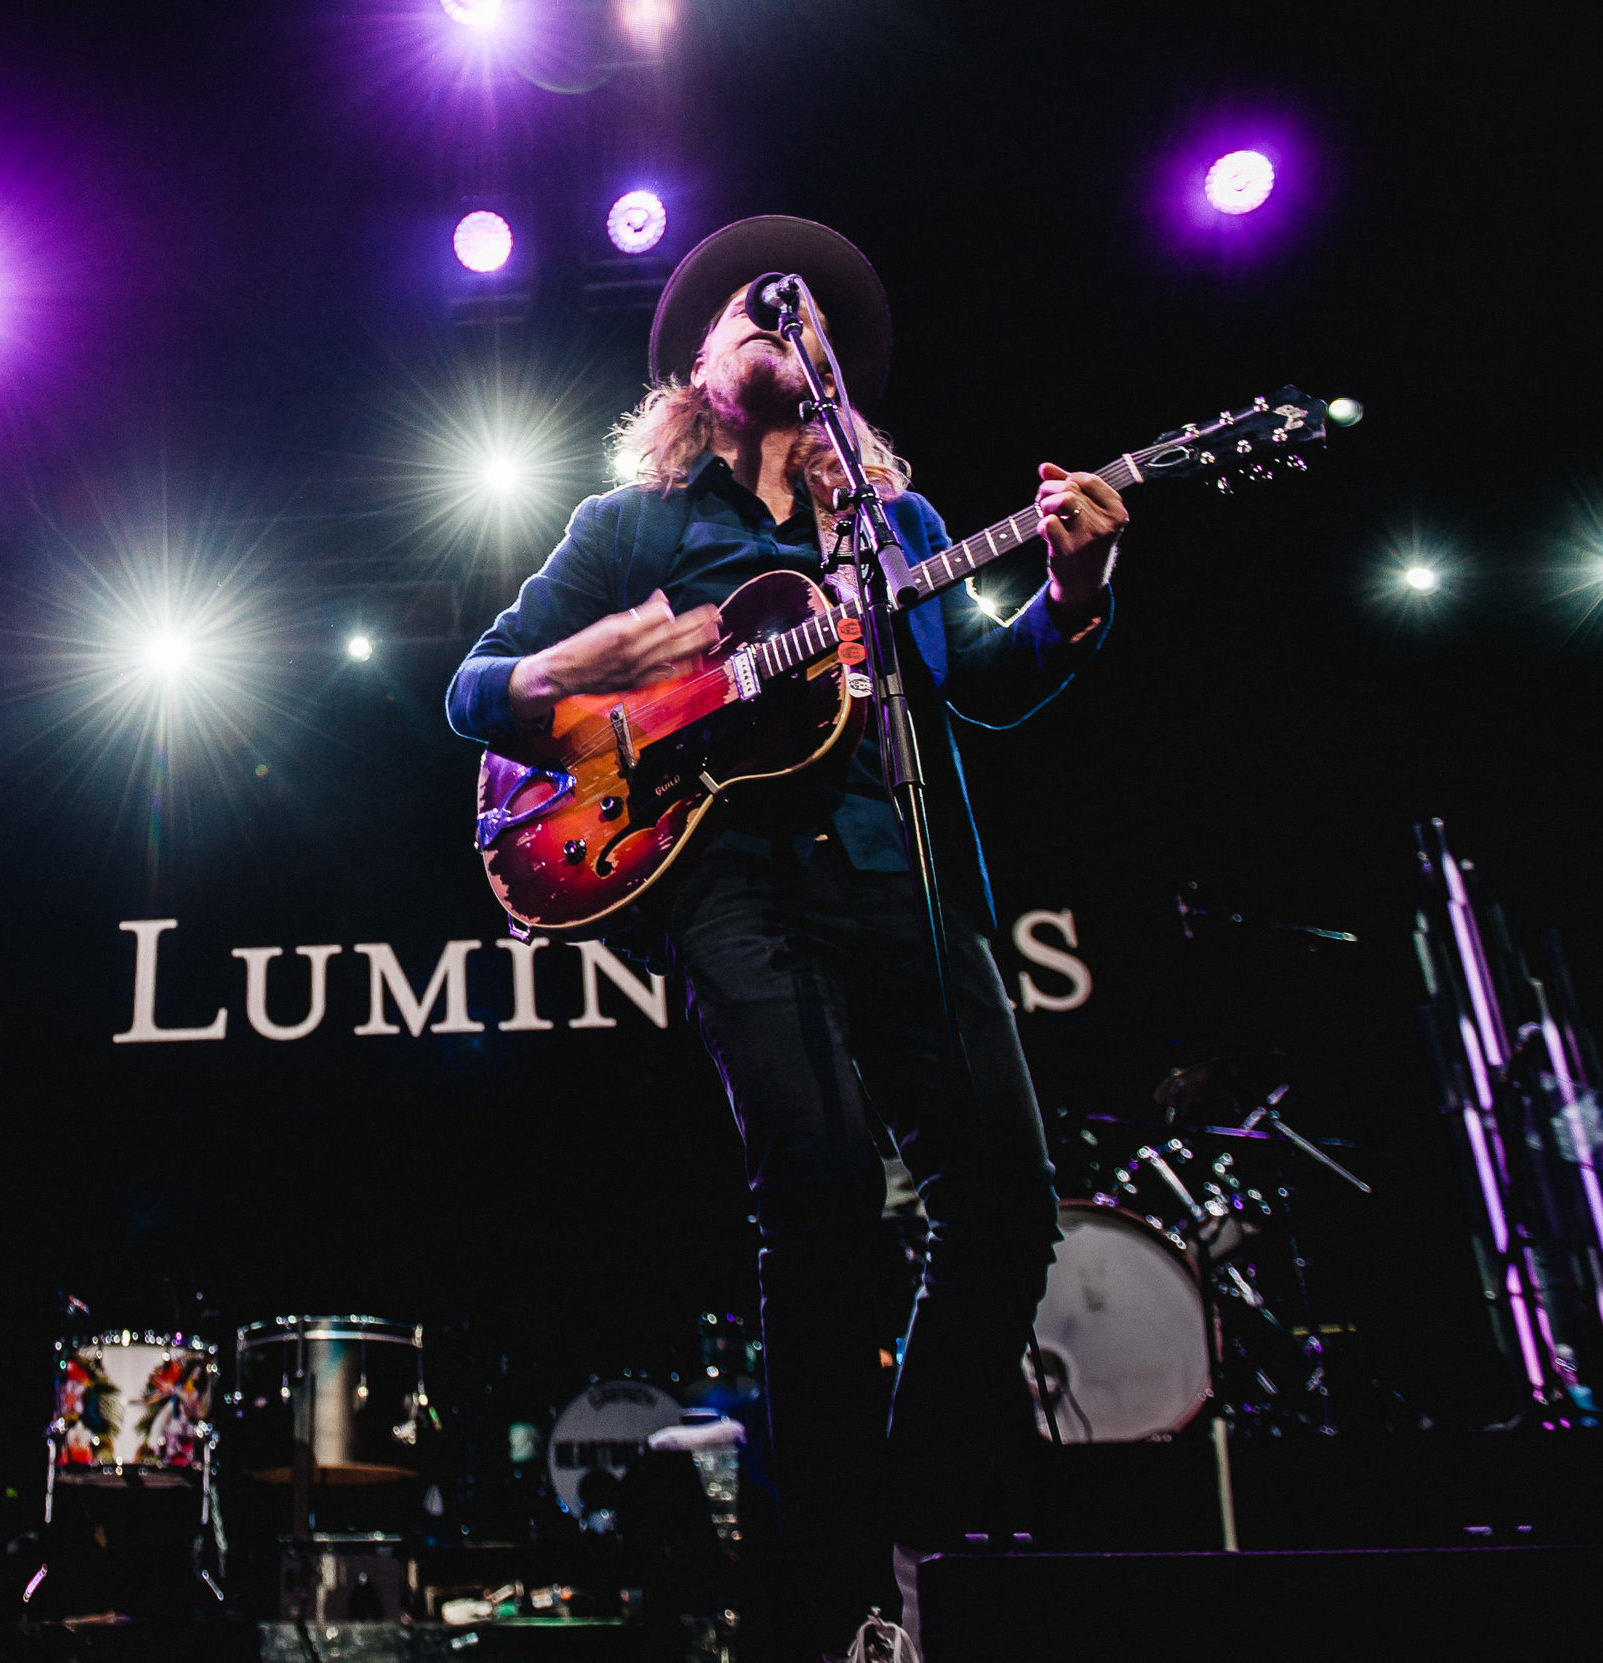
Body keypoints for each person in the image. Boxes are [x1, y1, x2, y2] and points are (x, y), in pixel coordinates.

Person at [446, 217, 1126, 1659]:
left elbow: (987, 687)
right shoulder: (633, 529)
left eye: (797, 313)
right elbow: (470, 691)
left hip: (905, 875)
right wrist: (581, 667)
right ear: (697, 368)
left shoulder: (904, 529)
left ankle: (897, 1516)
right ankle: (830, 1595)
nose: (777, 316)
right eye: (748, 313)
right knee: (817, 1195)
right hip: (737, 884)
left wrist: (1074, 595)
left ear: (831, 372)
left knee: (1006, 1207)